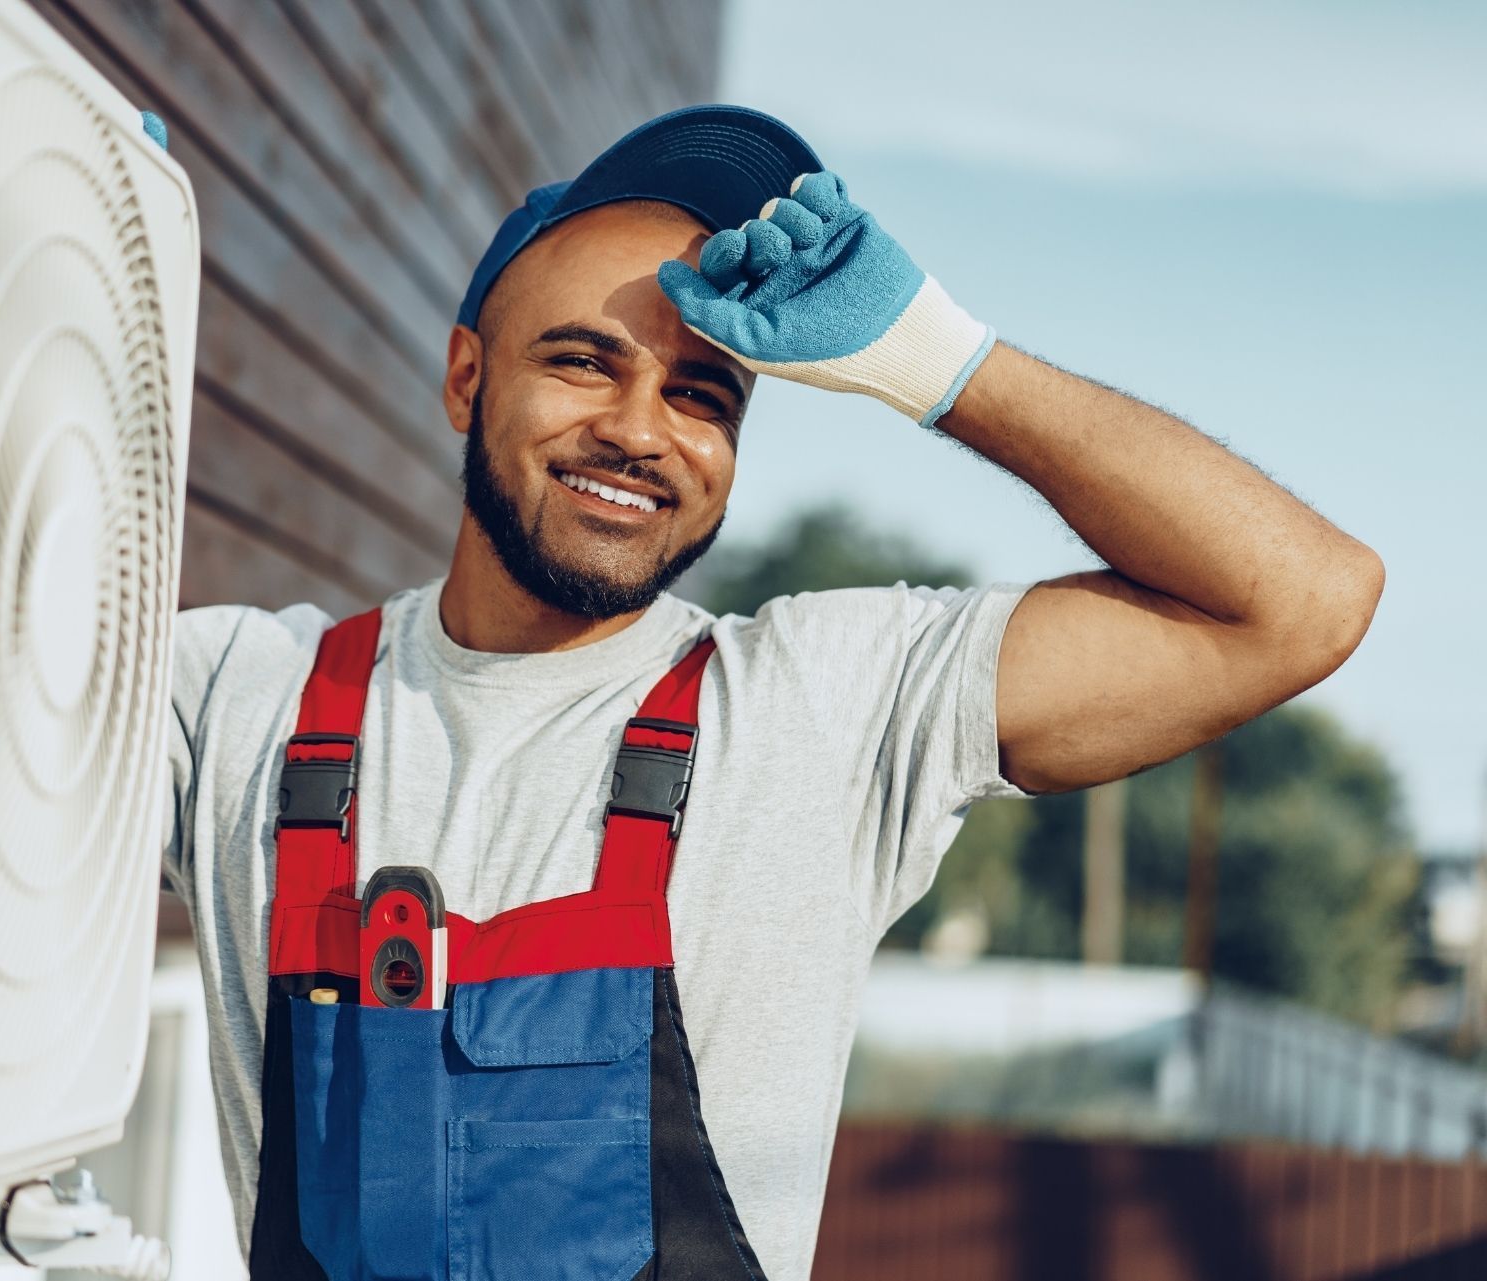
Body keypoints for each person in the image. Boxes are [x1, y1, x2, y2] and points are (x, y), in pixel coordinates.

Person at [161, 106, 1381, 1280]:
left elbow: (1305, 603)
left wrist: (940, 360)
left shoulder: (823, 708)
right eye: (584, 363)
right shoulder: (236, 699)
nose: (641, 431)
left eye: (702, 395)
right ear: (465, 379)